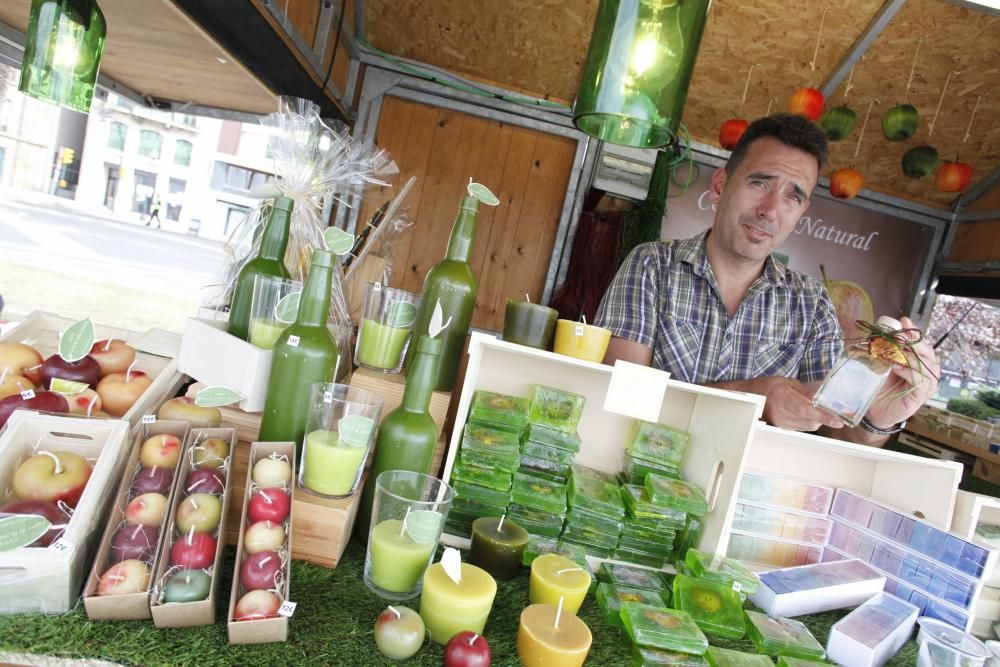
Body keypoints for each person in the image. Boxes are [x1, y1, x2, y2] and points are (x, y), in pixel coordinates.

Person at [595, 114, 939, 447]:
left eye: (793, 196)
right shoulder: (652, 265)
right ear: (720, 186)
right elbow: (621, 393)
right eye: (760, 182)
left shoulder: (812, 302)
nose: (770, 210)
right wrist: (755, 396)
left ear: (801, 213)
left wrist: (875, 419)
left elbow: (835, 431)